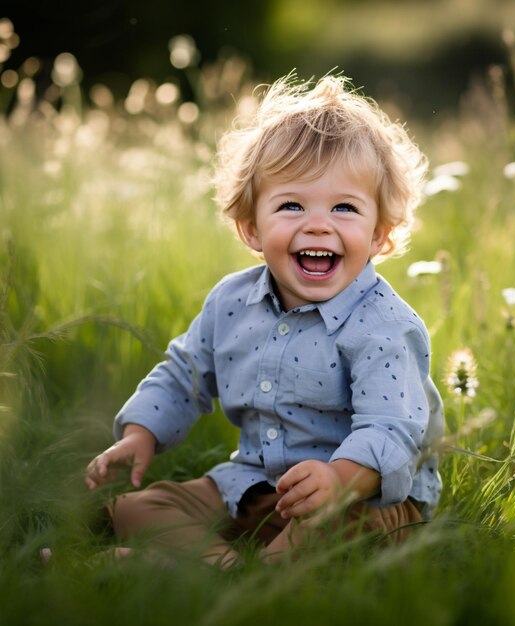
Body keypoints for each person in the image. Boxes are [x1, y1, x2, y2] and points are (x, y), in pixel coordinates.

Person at [85, 73, 444, 566]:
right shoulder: (231, 303)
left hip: (358, 497)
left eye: (344, 207)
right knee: (139, 507)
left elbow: (391, 431)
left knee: (334, 536)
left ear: (380, 234)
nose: (317, 223)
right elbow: (184, 374)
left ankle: (205, 571)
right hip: (255, 484)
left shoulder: (382, 326)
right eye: (291, 204)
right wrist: (139, 434)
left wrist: (338, 478)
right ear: (252, 227)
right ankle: (228, 569)